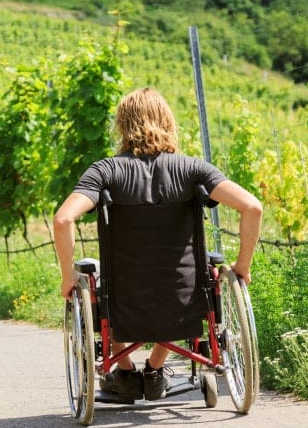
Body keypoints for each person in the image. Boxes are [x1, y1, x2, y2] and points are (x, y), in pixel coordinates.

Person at [53, 87, 263, 404]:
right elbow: (252, 208)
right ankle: (154, 371)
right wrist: (242, 266)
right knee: (181, 287)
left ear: (123, 126)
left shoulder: (105, 171)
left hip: (123, 298)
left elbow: (62, 220)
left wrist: (68, 278)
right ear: (168, 122)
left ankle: (124, 373)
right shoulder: (194, 169)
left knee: (96, 284)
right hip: (183, 297)